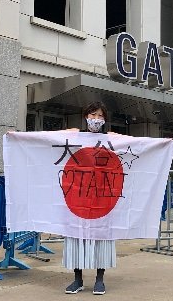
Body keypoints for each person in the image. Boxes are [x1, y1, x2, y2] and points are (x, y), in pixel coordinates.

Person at [63, 101, 116, 295]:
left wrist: (164, 143)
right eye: (93, 114)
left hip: (101, 197)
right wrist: (17, 137)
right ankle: (77, 279)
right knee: (77, 235)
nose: (96, 119)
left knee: (100, 236)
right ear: (86, 116)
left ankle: (99, 279)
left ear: (105, 119)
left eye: (100, 116)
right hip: (78, 196)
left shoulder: (111, 139)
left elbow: (137, 145)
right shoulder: (75, 136)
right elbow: (46, 139)